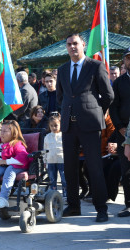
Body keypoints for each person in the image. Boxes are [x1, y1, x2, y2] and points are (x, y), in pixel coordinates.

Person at [56, 33, 114, 222]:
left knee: (94, 167)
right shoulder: (63, 69)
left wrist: (96, 111)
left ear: (83, 45)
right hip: (68, 126)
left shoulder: (95, 66)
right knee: (70, 168)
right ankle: (73, 206)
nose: (72, 47)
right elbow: (60, 98)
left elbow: (108, 95)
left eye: (75, 44)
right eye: (69, 44)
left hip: (90, 125)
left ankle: (101, 208)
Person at [109, 47, 130, 217]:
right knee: (126, 169)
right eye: (128, 58)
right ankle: (129, 204)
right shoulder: (119, 82)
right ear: (124, 61)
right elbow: (113, 107)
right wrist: (120, 127)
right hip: (123, 133)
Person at [44, 114, 66, 199]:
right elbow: (45, 149)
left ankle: (65, 194)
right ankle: (53, 195)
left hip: (62, 160)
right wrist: (45, 161)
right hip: (51, 160)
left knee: (64, 179)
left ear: (60, 124)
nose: (54, 127)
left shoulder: (63, 136)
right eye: (51, 126)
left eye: (56, 125)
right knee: (52, 179)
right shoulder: (47, 137)